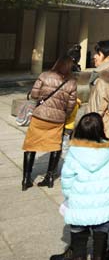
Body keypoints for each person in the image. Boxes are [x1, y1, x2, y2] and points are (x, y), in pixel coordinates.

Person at [50, 39, 109, 260]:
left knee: (84, 196)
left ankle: (76, 251)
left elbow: (94, 115)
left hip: (99, 145)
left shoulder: (104, 78)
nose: (93, 57)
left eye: (96, 53)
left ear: (106, 55)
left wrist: (79, 139)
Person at [61, 112, 109, 260]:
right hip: (103, 204)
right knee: (100, 239)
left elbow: (67, 179)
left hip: (79, 203)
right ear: (100, 129)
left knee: (78, 239)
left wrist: (69, 197)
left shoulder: (74, 152)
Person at [21, 55, 78, 190]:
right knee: (55, 146)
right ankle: (50, 177)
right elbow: (71, 105)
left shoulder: (45, 75)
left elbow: (34, 95)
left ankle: (26, 179)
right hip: (57, 119)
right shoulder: (71, 82)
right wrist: (64, 114)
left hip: (39, 116)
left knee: (31, 145)